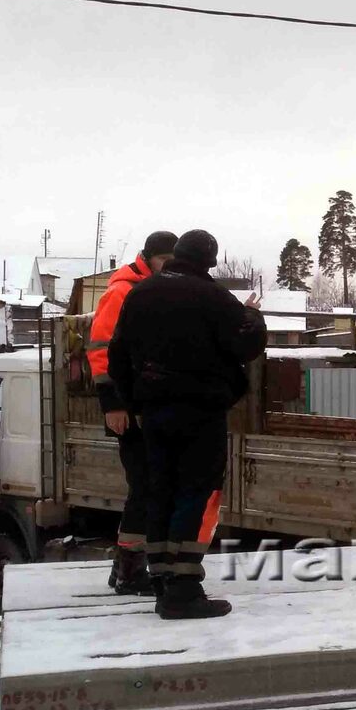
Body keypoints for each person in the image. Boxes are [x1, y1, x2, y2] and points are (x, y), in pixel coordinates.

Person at [108, 230, 266, 619]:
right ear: (208, 261)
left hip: (154, 414)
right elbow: (247, 344)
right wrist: (253, 315)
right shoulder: (213, 297)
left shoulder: (140, 294)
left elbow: (117, 355)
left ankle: (161, 578)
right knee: (197, 495)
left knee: (160, 491)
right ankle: (183, 588)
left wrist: (133, 401)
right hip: (201, 414)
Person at [89, 230, 179, 596]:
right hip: (127, 408)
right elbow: (99, 349)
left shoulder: (155, 289)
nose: (171, 268)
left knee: (154, 486)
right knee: (144, 486)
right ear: (149, 258)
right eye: (166, 261)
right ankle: (129, 569)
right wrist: (112, 404)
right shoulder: (123, 292)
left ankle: (127, 568)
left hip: (150, 408)